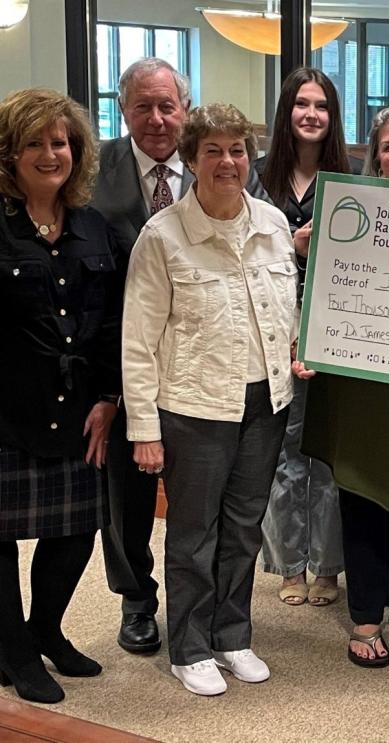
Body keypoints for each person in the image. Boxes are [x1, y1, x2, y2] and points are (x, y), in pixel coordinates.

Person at [122, 103, 299, 696]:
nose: (228, 162)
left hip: (265, 403)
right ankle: (190, 646)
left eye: (238, 150)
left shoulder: (273, 224)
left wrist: (302, 351)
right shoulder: (163, 235)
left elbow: (289, 315)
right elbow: (138, 340)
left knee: (245, 525)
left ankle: (232, 635)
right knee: (194, 532)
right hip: (194, 408)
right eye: (214, 151)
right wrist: (144, 428)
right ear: (191, 159)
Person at [301, 107, 389, 671]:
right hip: (365, 385)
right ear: (373, 158)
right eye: (388, 146)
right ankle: (364, 614)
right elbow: (319, 292)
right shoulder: (350, 212)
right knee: (362, 493)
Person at [0, 88, 121, 705]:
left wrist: (110, 396)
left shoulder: (93, 226)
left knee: (75, 530)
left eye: (61, 142)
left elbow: (114, 321)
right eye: (35, 143)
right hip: (5, 410)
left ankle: (44, 629)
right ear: (9, 153)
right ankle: (15, 651)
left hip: (80, 409)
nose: (51, 154)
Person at [92, 57, 192, 656]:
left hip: (199, 356)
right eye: (142, 107)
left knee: (200, 491)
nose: (156, 119)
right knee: (127, 491)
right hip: (123, 353)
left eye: (167, 106)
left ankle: (197, 598)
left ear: (184, 107)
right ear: (124, 110)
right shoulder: (92, 168)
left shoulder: (217, 158)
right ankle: (136, 600)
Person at [254, 67, 358, 609]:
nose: (311, 114)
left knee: (329, 453)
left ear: (333, 116)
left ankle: (328, 565)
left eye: (321, 105)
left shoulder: (353, 178)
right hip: (274, 333)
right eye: (301, 104)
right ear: (286, 112)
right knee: (282, 452)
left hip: (336, 333)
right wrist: (286, 248)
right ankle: (288, 563)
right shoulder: (255, 178)